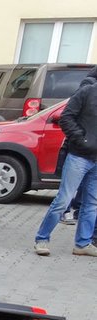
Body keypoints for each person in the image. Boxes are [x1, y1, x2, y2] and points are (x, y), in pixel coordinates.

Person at [32, 66, 97, 257]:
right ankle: (42, 239)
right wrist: (82, 140)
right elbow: (66, 118)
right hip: (79, 156)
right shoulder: (87, 92)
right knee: (64, 200)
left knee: (92, 204)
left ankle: (82, 245)